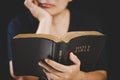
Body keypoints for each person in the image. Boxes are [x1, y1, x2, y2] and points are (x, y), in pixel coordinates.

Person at [7, 0, 108, 80]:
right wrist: (45, 20)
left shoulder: (89, 24)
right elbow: (25, 78)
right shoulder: (19, 24)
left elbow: (102, 75)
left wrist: (78, 77)